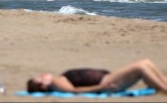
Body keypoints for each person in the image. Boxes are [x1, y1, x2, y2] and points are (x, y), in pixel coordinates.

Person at [27, 58, 167, 93]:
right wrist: (100, 87)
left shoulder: (57, 78)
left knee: (145, 62)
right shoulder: (55, 83)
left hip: (108, 77)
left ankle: (164, 86)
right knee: (141, 66)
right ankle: (163, 89)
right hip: (108, 82)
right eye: (39, 79)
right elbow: (74, 91)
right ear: (43, 85)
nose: (42, 76)